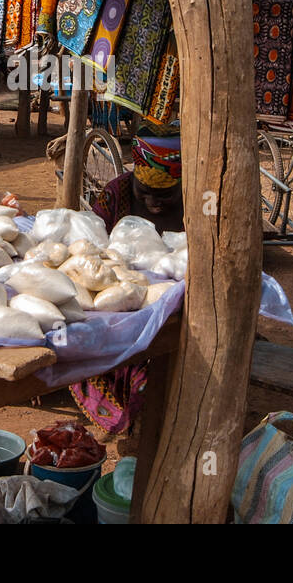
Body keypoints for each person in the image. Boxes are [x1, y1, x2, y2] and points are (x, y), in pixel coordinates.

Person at [71, 126, 183, 438]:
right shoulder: (116, 193)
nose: (155, 203)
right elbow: (91, 242)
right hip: (119, 293)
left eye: (165, 196)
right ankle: (122, 409)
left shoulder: (197, 198)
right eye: (145, 195)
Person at [90, 126, 184, 234]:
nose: (152, 202)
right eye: (144, 192)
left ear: (182, 185)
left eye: (164, 194)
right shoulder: (114, 195)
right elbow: (91, 233)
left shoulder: (199, 201)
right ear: (134, 179)